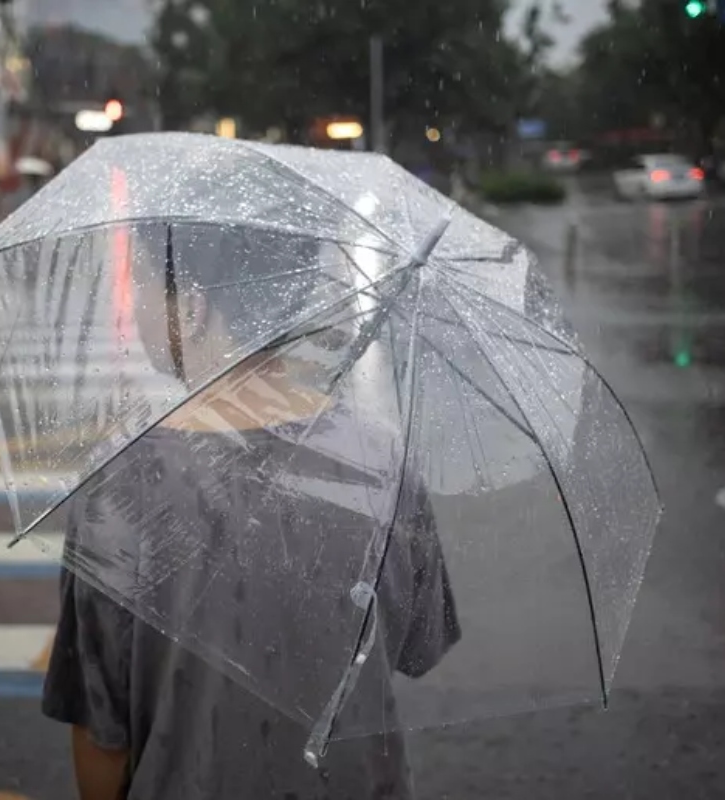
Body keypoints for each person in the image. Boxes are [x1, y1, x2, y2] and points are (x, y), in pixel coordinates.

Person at [42, 221, 461, 800]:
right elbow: (416, 643)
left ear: (189, 307)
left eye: (137, 282)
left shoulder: (120, 482)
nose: (132, 308)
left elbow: (102, 733)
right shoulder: (383, 459)